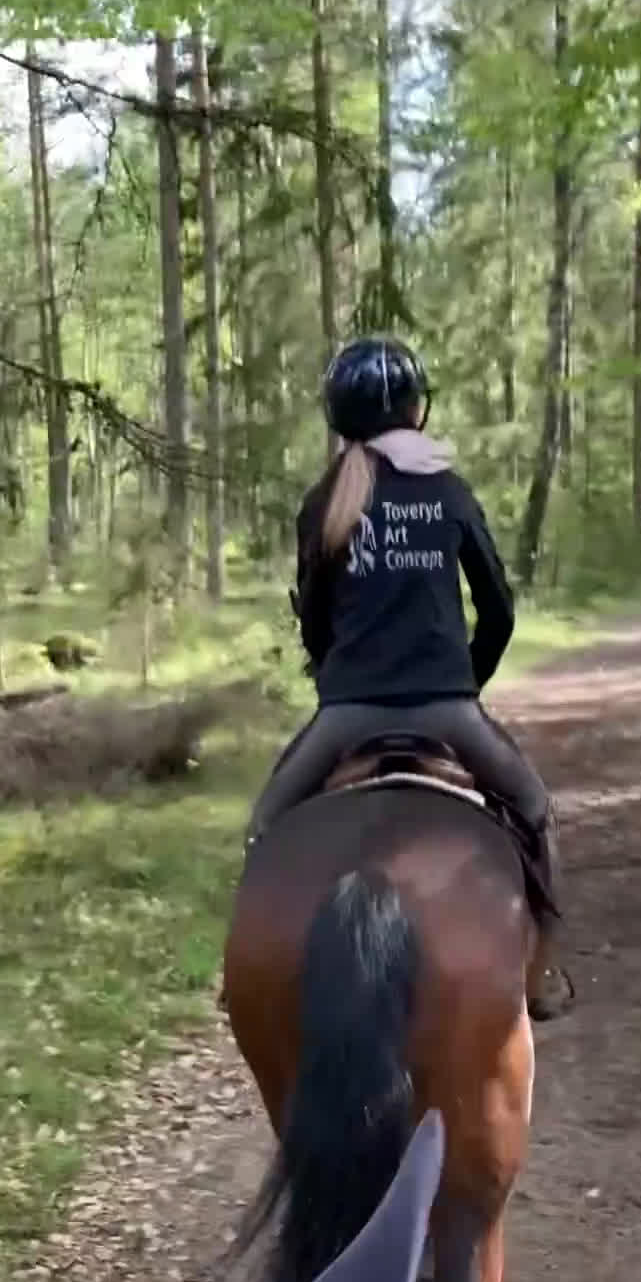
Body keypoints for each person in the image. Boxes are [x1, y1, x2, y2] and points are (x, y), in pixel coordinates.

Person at [245, 336, 572, 1022]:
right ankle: (540, 973)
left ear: (338, 416)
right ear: (416, 411)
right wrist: (462, 680)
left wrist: (343, 680)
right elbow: (500, 610)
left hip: (348, 716)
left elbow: (314, 621)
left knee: (266, 825)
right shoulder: (447, 490)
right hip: (446, 711)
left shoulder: (324, 500)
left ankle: (246, 978)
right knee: (534, 810)